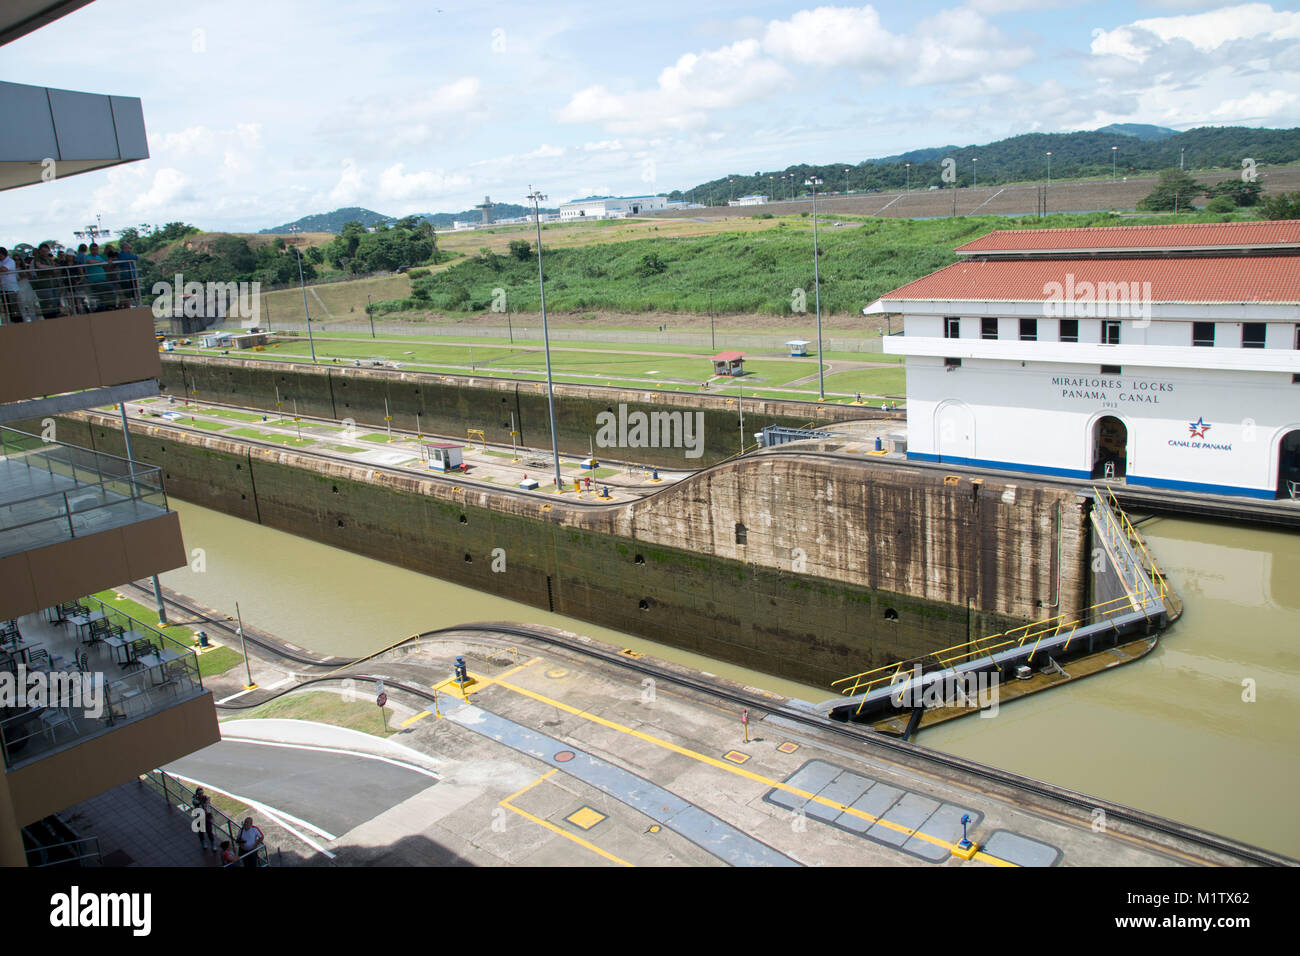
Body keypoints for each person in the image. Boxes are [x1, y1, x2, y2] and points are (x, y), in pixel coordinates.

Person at [193, 787, 217, 852]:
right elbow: (197, 803)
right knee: (201, 831)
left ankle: (212, 843)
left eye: (202, 793)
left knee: (209, 831)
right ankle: (203, 841)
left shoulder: (206, 797)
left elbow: (208, 799)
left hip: (207, 817)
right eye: (199, 793)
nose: (201, 795)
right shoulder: (195, 800)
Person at [0, 247, 18, 323]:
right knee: (7, 307)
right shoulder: (1, 262)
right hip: (3, 288)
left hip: (11, 288)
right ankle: (11, 321)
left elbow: (4, 269)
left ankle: (17, 322)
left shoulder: (10, 261)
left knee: (14, 308)